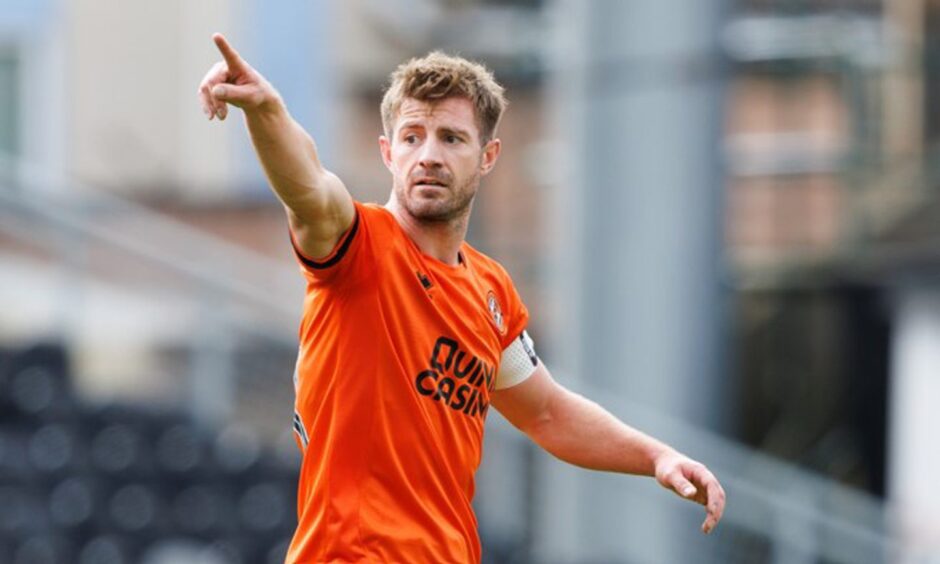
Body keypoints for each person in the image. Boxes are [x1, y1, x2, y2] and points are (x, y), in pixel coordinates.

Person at [198, 33, 726, 563]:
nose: (428, 155)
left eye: (451, 138)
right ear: (388, 151)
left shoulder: (490, 290)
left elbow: (545, 412)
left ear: (488, 155)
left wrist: (655, 456)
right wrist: (267, 113)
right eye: (412, 137)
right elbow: (309, 188)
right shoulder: (359, 246)